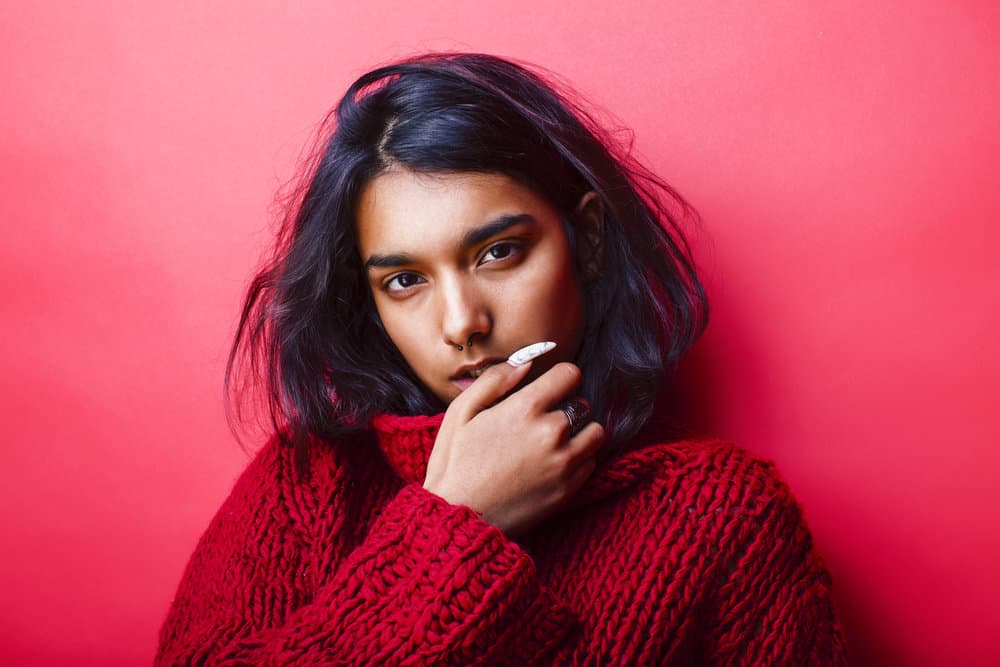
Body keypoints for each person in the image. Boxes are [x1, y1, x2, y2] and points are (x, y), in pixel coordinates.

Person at [156, 53, 847, 665]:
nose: (461, 323)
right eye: (405, 280)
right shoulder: (307, 480)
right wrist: (459, 523)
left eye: (499, 252)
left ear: (590, 240)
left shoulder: (721, 517)